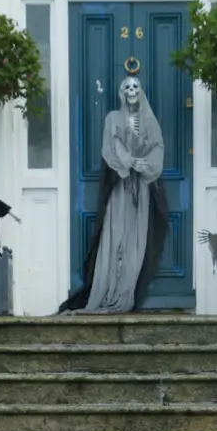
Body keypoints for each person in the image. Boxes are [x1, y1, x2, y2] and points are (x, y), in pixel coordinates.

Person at [60, 76, 169, 314]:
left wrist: (146, 165)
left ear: (140, 91)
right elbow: (111, 146)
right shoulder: (113, 118)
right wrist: (129, 162)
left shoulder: (149, 121)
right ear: (122, 92)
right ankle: (109, 289)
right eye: (127, 87)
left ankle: (126, 290)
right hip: (120, 185)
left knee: (136, 239)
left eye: (135, 86)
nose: (132, 90)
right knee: (115, 234)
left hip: (141, 187)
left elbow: (157, 146)